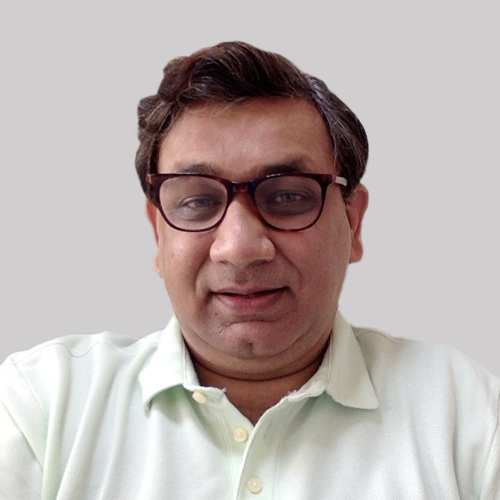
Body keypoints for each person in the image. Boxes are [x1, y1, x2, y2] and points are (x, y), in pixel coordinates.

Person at [0, 41, 498, 499]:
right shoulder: (41, 406)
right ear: (158, 232)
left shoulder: (466, 415)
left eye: (288, 196)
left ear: (352, 222)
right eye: (198, 201)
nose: (239, 249)